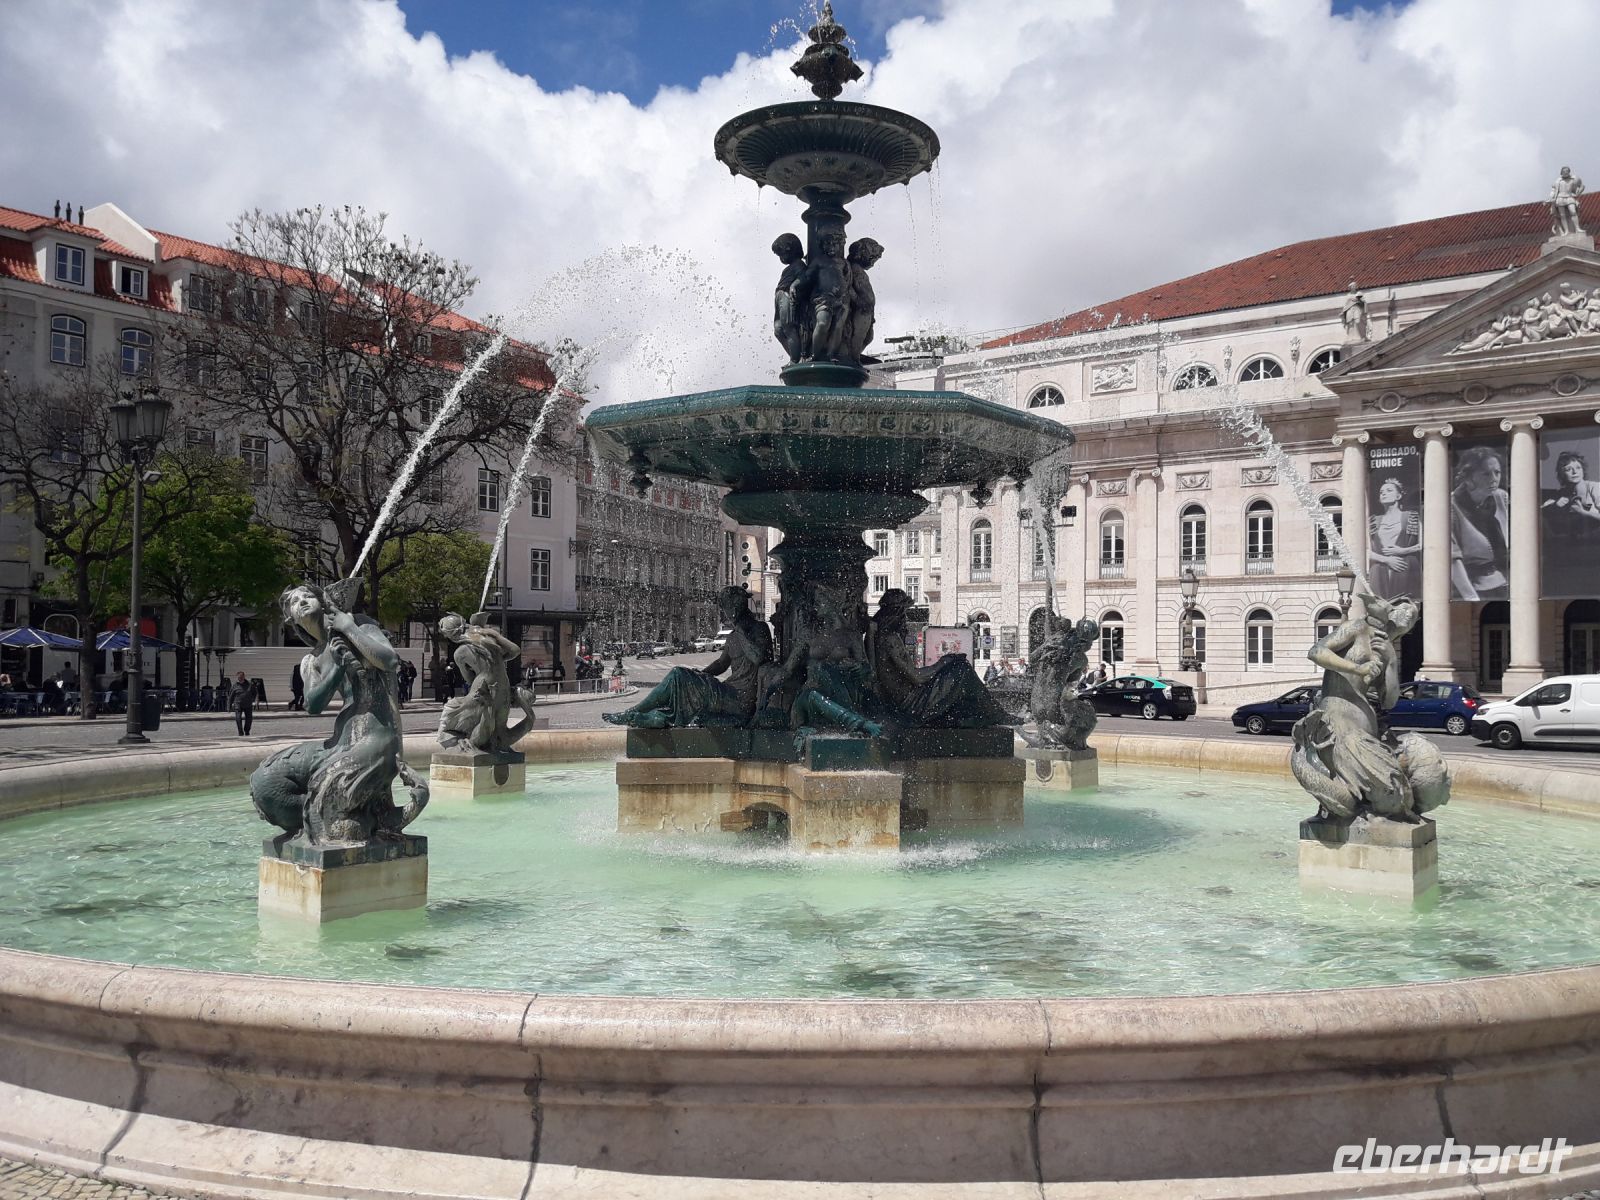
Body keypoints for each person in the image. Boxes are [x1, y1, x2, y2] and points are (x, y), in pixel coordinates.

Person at [605, 587, 772, 728]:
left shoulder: (759, 629)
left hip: (740, 699)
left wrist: (741, 631)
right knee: (682, 679)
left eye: (726, 608)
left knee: (678, 674)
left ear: (735, 608)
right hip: (727, 691)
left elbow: (758, 658)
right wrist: (699, 675)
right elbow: (721, 664)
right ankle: (654, 717)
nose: (725, 614)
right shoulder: (732, 636)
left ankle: (635, 713)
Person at [869, 589, 1020, 729]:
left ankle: (988, 716)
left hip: (903, 702)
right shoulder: (890, 639)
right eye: (904, 613)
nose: (906, 619)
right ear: (897, 613)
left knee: (958, 670)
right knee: (962, 669)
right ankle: (997, 715)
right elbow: (917, 677)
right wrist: (944, 662)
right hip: (913, 704)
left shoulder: (878, 637)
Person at [1449, 445, 1510, 601]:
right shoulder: (1450, 506)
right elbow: (1452, 559)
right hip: (1468, 589)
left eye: (1497, 472)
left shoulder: (1501, 497)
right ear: (1468, 477)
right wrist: (1471, 598)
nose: (1494, 478)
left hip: (1504, 583)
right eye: (1486, 474)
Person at [1367, 476, 1423, 599]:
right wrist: (1386, 560)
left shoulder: (1411, 516)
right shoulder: (1373, 521)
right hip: (1379, 569)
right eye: (1381, 492)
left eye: (1389, 491)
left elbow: (1423, 544)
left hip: (1405, 566)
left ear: (1398, 496)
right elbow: (1365, 551)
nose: (1384, 494)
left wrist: (1402, 551)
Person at [1550, 165, 1586, 237]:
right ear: (1561, 172)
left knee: (1573, 211)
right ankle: (1566, 231)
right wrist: (1551, 197)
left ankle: (1577, 228)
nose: (1565, 173)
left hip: (1569, 197)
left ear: (1569, 172)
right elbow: (1553, 190)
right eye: (1564, 171)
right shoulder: (1558, 181)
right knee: (1562, 215)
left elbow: (1582, 186)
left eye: (1567, 171)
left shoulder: (1574, 178)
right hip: (1560, 198)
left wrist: (1578, 194)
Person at [229, 669, 255, 737]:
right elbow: (231, 696)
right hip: (238, 704)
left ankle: (247, 731)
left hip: (248, 704)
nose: (239, 679)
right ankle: (240, 732)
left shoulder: (250, 684)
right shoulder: (235, 685)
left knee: (249, 719)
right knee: (238, 718)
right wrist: (229, 706)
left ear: (244, 677)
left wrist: (252, 699)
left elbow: (255, 693)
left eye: (241, 677)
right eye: (238, 678)